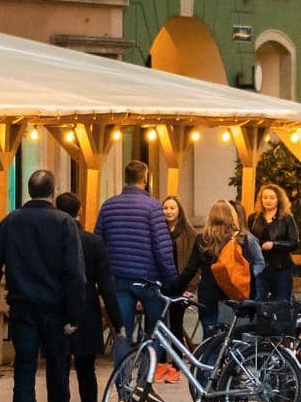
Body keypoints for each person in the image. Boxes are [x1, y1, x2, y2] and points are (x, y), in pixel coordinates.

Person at [0, 170, 85, 402]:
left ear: (29, 191)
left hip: (23, 309)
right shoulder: (64, 223)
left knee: (23, 375)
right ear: (53, 192)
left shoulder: (11, 222)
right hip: (55, 310)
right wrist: (74, 314)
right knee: (57, 373)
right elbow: (75, 273)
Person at [93, 161, 176, 376]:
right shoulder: (153, 207)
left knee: (123, 332)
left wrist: (102, 276)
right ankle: (143, 381)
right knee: (155, 332)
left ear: (125, 178)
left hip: (118, 279)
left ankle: (121, 387)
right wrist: (171, 281)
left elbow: (98, 244)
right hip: (148, 280)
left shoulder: (108, 206)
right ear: (145, 178)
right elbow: (162, 247)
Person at [53, 192, 118, 402]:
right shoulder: (92, 241)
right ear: (80, 211)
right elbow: (106, 284)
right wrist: (116, 319)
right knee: (85, 368)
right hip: (86, 309)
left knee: (59, 369)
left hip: (56, 309)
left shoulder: (52, 241)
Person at [172, 201, 253, 335]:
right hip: (233, 296)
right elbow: (249, 269)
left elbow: (190, 270)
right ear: (231, 216)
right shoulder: (240, 239)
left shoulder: (202, 240)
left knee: (210, 342)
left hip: (208, 298)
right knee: (231, 340)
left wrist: (173, 287)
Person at [158, 196, 195, 383]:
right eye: (165, 208)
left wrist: (190, 287)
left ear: (179, 210)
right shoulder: (158, 231)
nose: (168, 211)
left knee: (176, 326)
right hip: (162, 284)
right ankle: (162, 364)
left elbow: (194, 263)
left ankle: (176, 367)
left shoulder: (189, 233)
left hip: (181, 285)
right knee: (160, 326)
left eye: (172, 208)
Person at [248, 182, 301, 302]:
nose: (268, 200)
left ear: (278, 200)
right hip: (260, 269)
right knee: (259, 303)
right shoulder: (253, 219)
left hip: (281, 268)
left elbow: (294, 243)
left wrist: (275, 245)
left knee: (281, 304)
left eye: (272, 198)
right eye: (265, 197)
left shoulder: (287, 218)